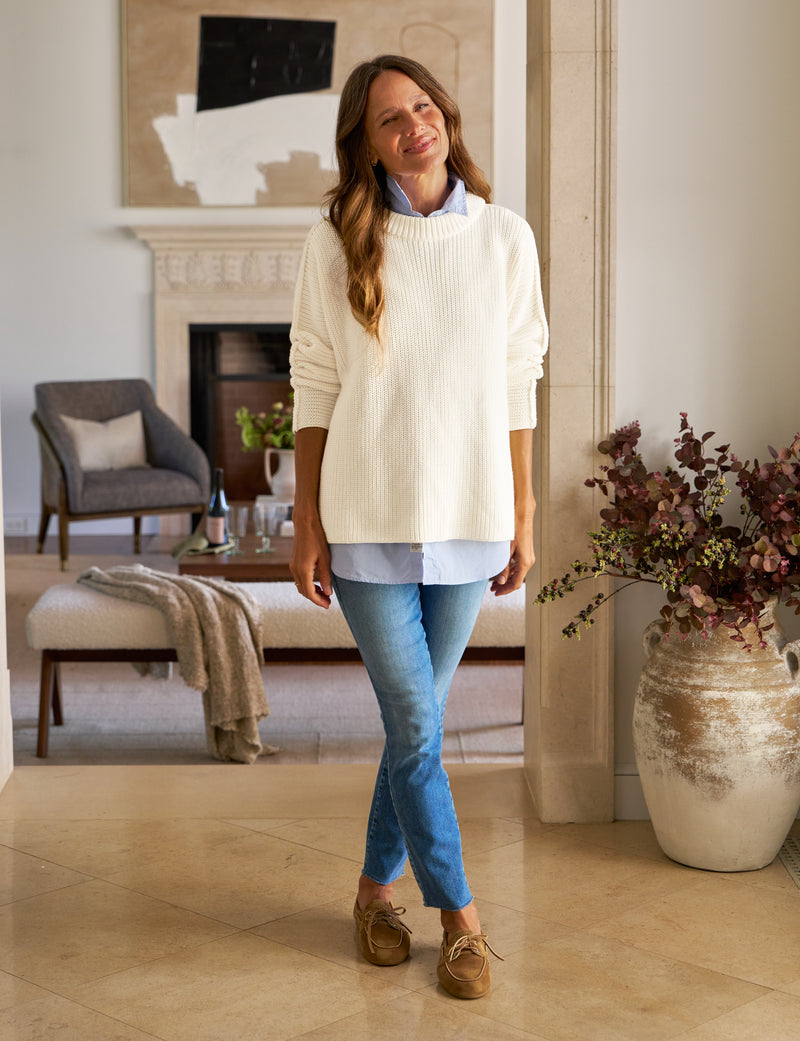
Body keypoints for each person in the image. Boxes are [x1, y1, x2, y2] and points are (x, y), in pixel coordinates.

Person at [289, 54, 547, 1000]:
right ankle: (463, 921)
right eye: (390, 119)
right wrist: (304, 517)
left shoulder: (505, 239)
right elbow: (314, 378)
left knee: (416, 731)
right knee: (417, 726)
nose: (414, 127)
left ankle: (369, 893)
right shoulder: (335, 239)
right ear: (365, 142)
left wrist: (520, 511)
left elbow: (520, 381)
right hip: (365, 519)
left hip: (473, 518)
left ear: (446, 118)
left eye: (424, 108)